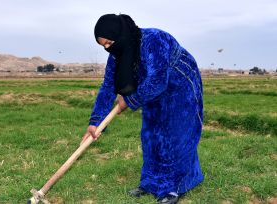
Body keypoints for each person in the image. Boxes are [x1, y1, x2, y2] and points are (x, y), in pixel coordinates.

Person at [81, 13, 204, 204]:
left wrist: (128, 101)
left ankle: (175, 187)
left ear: (119, 34)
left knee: (177, 133)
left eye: (108, 42)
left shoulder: (154, 40)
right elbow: (108, 86)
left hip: (180, 83)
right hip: (149, 88)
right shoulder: (117, 54)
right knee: (151, 133)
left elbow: (157, 81)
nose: (107, 48)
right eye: (103, 45)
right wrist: (96, 123)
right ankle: (150, 183)